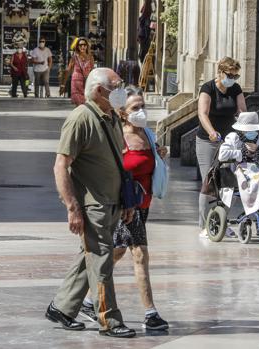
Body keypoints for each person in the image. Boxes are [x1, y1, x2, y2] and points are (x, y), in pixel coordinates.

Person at [45, 68, 136, 338]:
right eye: (116, 87)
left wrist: (127, 200)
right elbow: (61, 165)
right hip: (92, 203)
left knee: (90, 257)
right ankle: (109, 319)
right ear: (99, 91)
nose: (122, 92)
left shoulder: (111, 118)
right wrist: (72, 207)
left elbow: (119, 162)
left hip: (112, 201)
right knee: (101, 260)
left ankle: (62, 307)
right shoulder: (81, 118)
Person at [79, 86, 169, 331]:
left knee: (117, 252)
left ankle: (86, 300)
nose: (141, 111)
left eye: (143, 106)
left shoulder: (149, 135)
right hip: (126, 206)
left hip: (144, 204)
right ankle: (151, 313)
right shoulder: (117, 138)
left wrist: (159, 154)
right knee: (140, 254)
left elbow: (149, 164)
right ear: (122, 112)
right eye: (135, 107)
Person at [197, 56, 247, 238]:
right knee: (210, 182)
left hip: (229, 140)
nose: (232, 79)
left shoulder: (235, 89)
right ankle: (205, 225)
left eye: (236, 76)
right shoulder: (208, 88)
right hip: (207, 141)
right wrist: (211, 131)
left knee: (228, 183)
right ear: (220, 72)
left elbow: (242, 109)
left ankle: (221, 221)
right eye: (229, 75)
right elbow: (202, 114)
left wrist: (244, 121)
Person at [60, 37, 94, 106]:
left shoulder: (90, 57)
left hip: (86, 83)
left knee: (86, 104)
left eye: (84, 45)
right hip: (76, 84)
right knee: (78, 105)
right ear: (77, 47)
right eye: (80, 45)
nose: (82, 47)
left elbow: (92, 71)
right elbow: (68, 71)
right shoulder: (74, 57)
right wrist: (63, 85)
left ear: (87, 46)